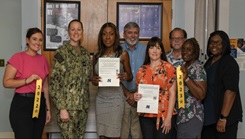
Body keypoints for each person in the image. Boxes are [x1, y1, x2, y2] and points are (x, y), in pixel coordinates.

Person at [2, 27, 51, 138]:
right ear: (27, 40)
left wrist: (48, 109)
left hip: (40, 105)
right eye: (34, 39)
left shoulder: (43, 59)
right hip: (22, 105)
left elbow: (46, 86)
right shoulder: (17, 58)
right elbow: (6, 82)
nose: (38, 43)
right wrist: (26, 81)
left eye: (40, 40)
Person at [49, 19, 91, 139]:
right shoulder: (61, 52)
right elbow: (54, 83)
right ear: (68, 32)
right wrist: (62, 108)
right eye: (73, 29)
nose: (76, 32)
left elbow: (86, 79)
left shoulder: (86, 54)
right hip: (67, 107)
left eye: (79, 29)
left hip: (82, 107)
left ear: (82, 31)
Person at [91, 22, 133, 139]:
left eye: (111, 34)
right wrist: (94, 80)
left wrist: (125, 76)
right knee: (102, 135)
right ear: (101, 36)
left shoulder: (123, 54)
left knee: (114, 135)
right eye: (104, 34)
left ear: (116, 36)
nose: (107, 37)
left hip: (116, 99)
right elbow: (94, 79)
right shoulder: (96, 55)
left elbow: (130, 76)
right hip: (101, 98)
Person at [201, 30, 243, 139]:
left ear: (224, 44)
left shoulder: (228, 62)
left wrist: (223, 117)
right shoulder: (209, 62)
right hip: (209, 119)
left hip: (223, 119)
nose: (213, 45)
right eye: (211, 42)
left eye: (217, 42)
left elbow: (231, 91)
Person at [134, 37, 177, 139]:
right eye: (152, 47)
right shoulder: (141, 70)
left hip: (164, 114)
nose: (154, 51)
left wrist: (169, 118)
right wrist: (136, 96)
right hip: (146, 115)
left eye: (157, 48)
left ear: (161, 51)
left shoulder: (169, 68)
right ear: (148, 50)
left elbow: (173, 94)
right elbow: (139, 91)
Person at [176, 38, 207, 138]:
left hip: (192, 115)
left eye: (189, 49)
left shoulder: (198, 68)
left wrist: (187, 79)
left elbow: (201, 94)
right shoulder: (183, 66)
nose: (185, 52)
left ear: (195, 52)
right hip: (182, 115)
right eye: (183, 49)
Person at [120, 22, 146, 139]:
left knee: (138, 133)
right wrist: (128, 94)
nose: (133, 35)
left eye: (136, 32)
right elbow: (114, 75)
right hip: (121, 95)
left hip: (141, 96)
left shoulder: (146, 50)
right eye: (130, 33)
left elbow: (150, 73)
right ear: (124, 34)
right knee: (122, 132)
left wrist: (135, 93)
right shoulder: (118, 50)